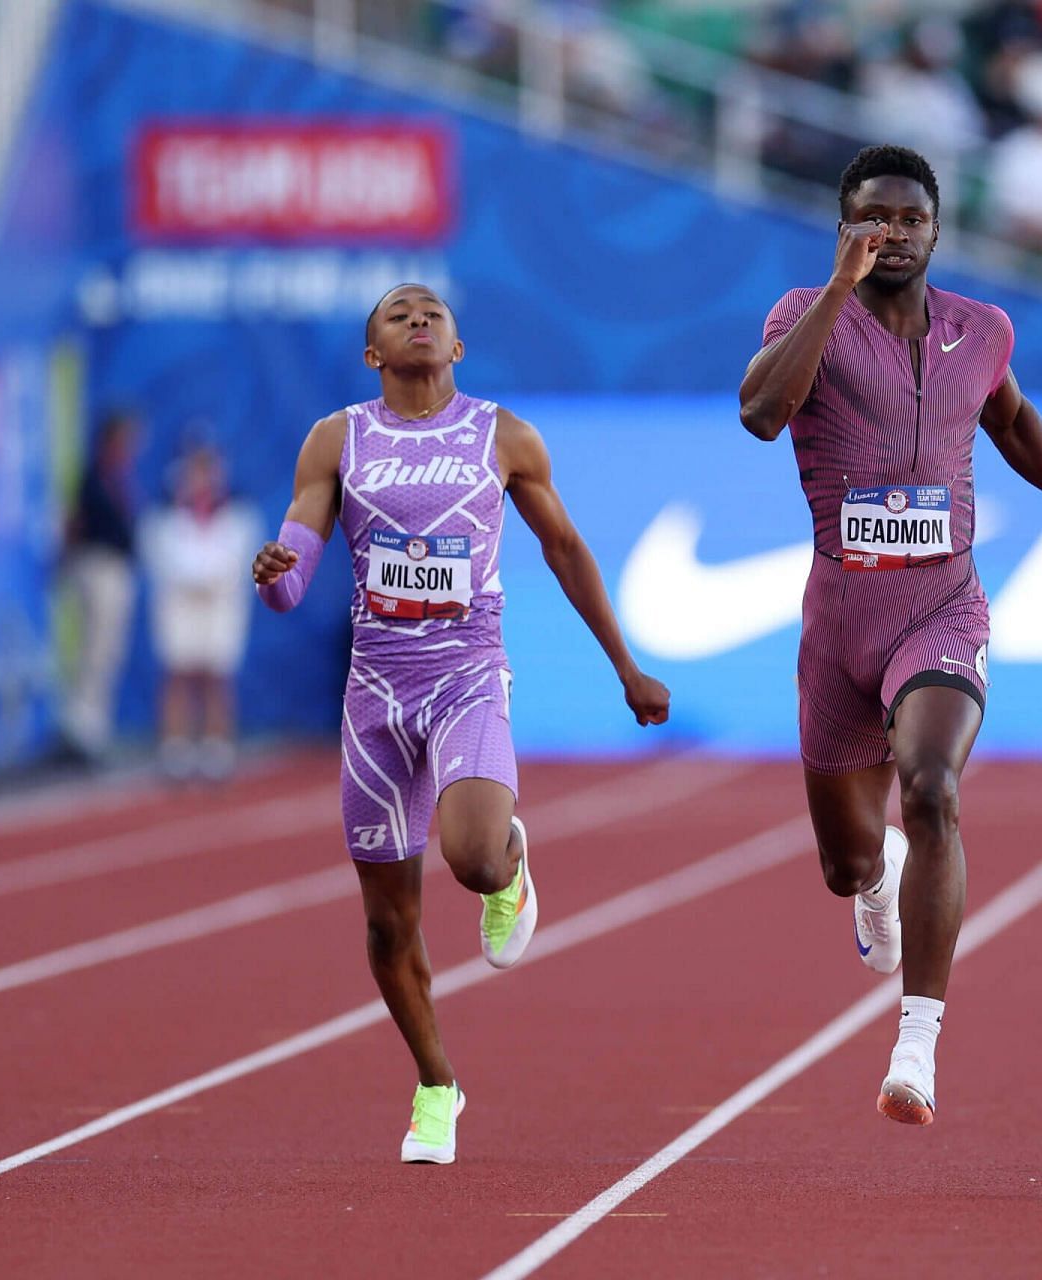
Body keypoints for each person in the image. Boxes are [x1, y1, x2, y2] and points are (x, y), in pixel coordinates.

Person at [738, 145, 1042, 1126]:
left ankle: (916, 1040)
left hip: (942, 608)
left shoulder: (980, 330)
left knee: (931, 784)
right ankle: (871, 882)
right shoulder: (804, 316)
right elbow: (759, 413)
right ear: (845, 228)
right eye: (872, 218)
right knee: (846, 859)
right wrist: (838, 288)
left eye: (910, 218)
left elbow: (1015, 423)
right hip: (841, 622)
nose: (893, 234)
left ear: (936, 229)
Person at [252, 283, 670, 1163]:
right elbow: (295, 574)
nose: (416, 316)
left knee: (472, 857)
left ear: (458, 346)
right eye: (397, 313)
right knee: (387, 925)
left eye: (431, 312)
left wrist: (624, 665)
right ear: (373, 353)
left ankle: (510, 864)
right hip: (375, 694)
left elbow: (564, 547)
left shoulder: (503, 437)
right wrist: (279, 572)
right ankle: (437, 1086)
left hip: (466, 673)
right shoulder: (339, 438)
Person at [140, 434, 261, 781]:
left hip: (219, 604)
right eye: (195, 469)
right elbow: (158, 557)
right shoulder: (165, 514)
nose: (201, 477)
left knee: (216, 675)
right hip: (178, 603)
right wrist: (190, 577)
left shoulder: (237, 512)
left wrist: (212, 579)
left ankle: (216, 748)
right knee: (177, 672)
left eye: (207, 469)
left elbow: (242, 559)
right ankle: (175, 748)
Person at [60, 409, 141, 761]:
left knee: (108, 649)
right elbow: (74, 522)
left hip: (116, 566)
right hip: (97, 566)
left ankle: (93, 726)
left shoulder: (118, 477)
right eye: (126, 438)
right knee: (96, 646)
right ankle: (82, 727)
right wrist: (68, 560)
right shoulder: (94, 476)